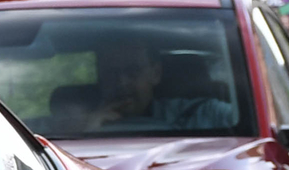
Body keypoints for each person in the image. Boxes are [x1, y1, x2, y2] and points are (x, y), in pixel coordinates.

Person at [91, 40, 237, 134]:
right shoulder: (75, 124)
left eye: (133, 71)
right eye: (111, 72)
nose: (122, 82)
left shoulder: (204, 113)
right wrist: (89, 132)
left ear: (155, 74)